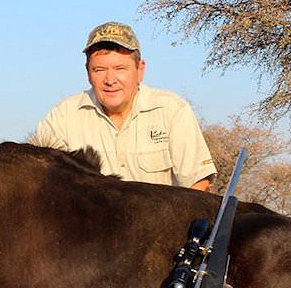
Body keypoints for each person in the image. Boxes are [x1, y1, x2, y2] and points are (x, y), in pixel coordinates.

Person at [31, 21, 216, 191]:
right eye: (99, 70)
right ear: (88, 74)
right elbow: (33, 177)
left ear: (140, 70)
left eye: (120, 69)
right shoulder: (63, 116)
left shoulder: (172, 110)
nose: (110, 80)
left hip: (160, 226)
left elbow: (198, 183)